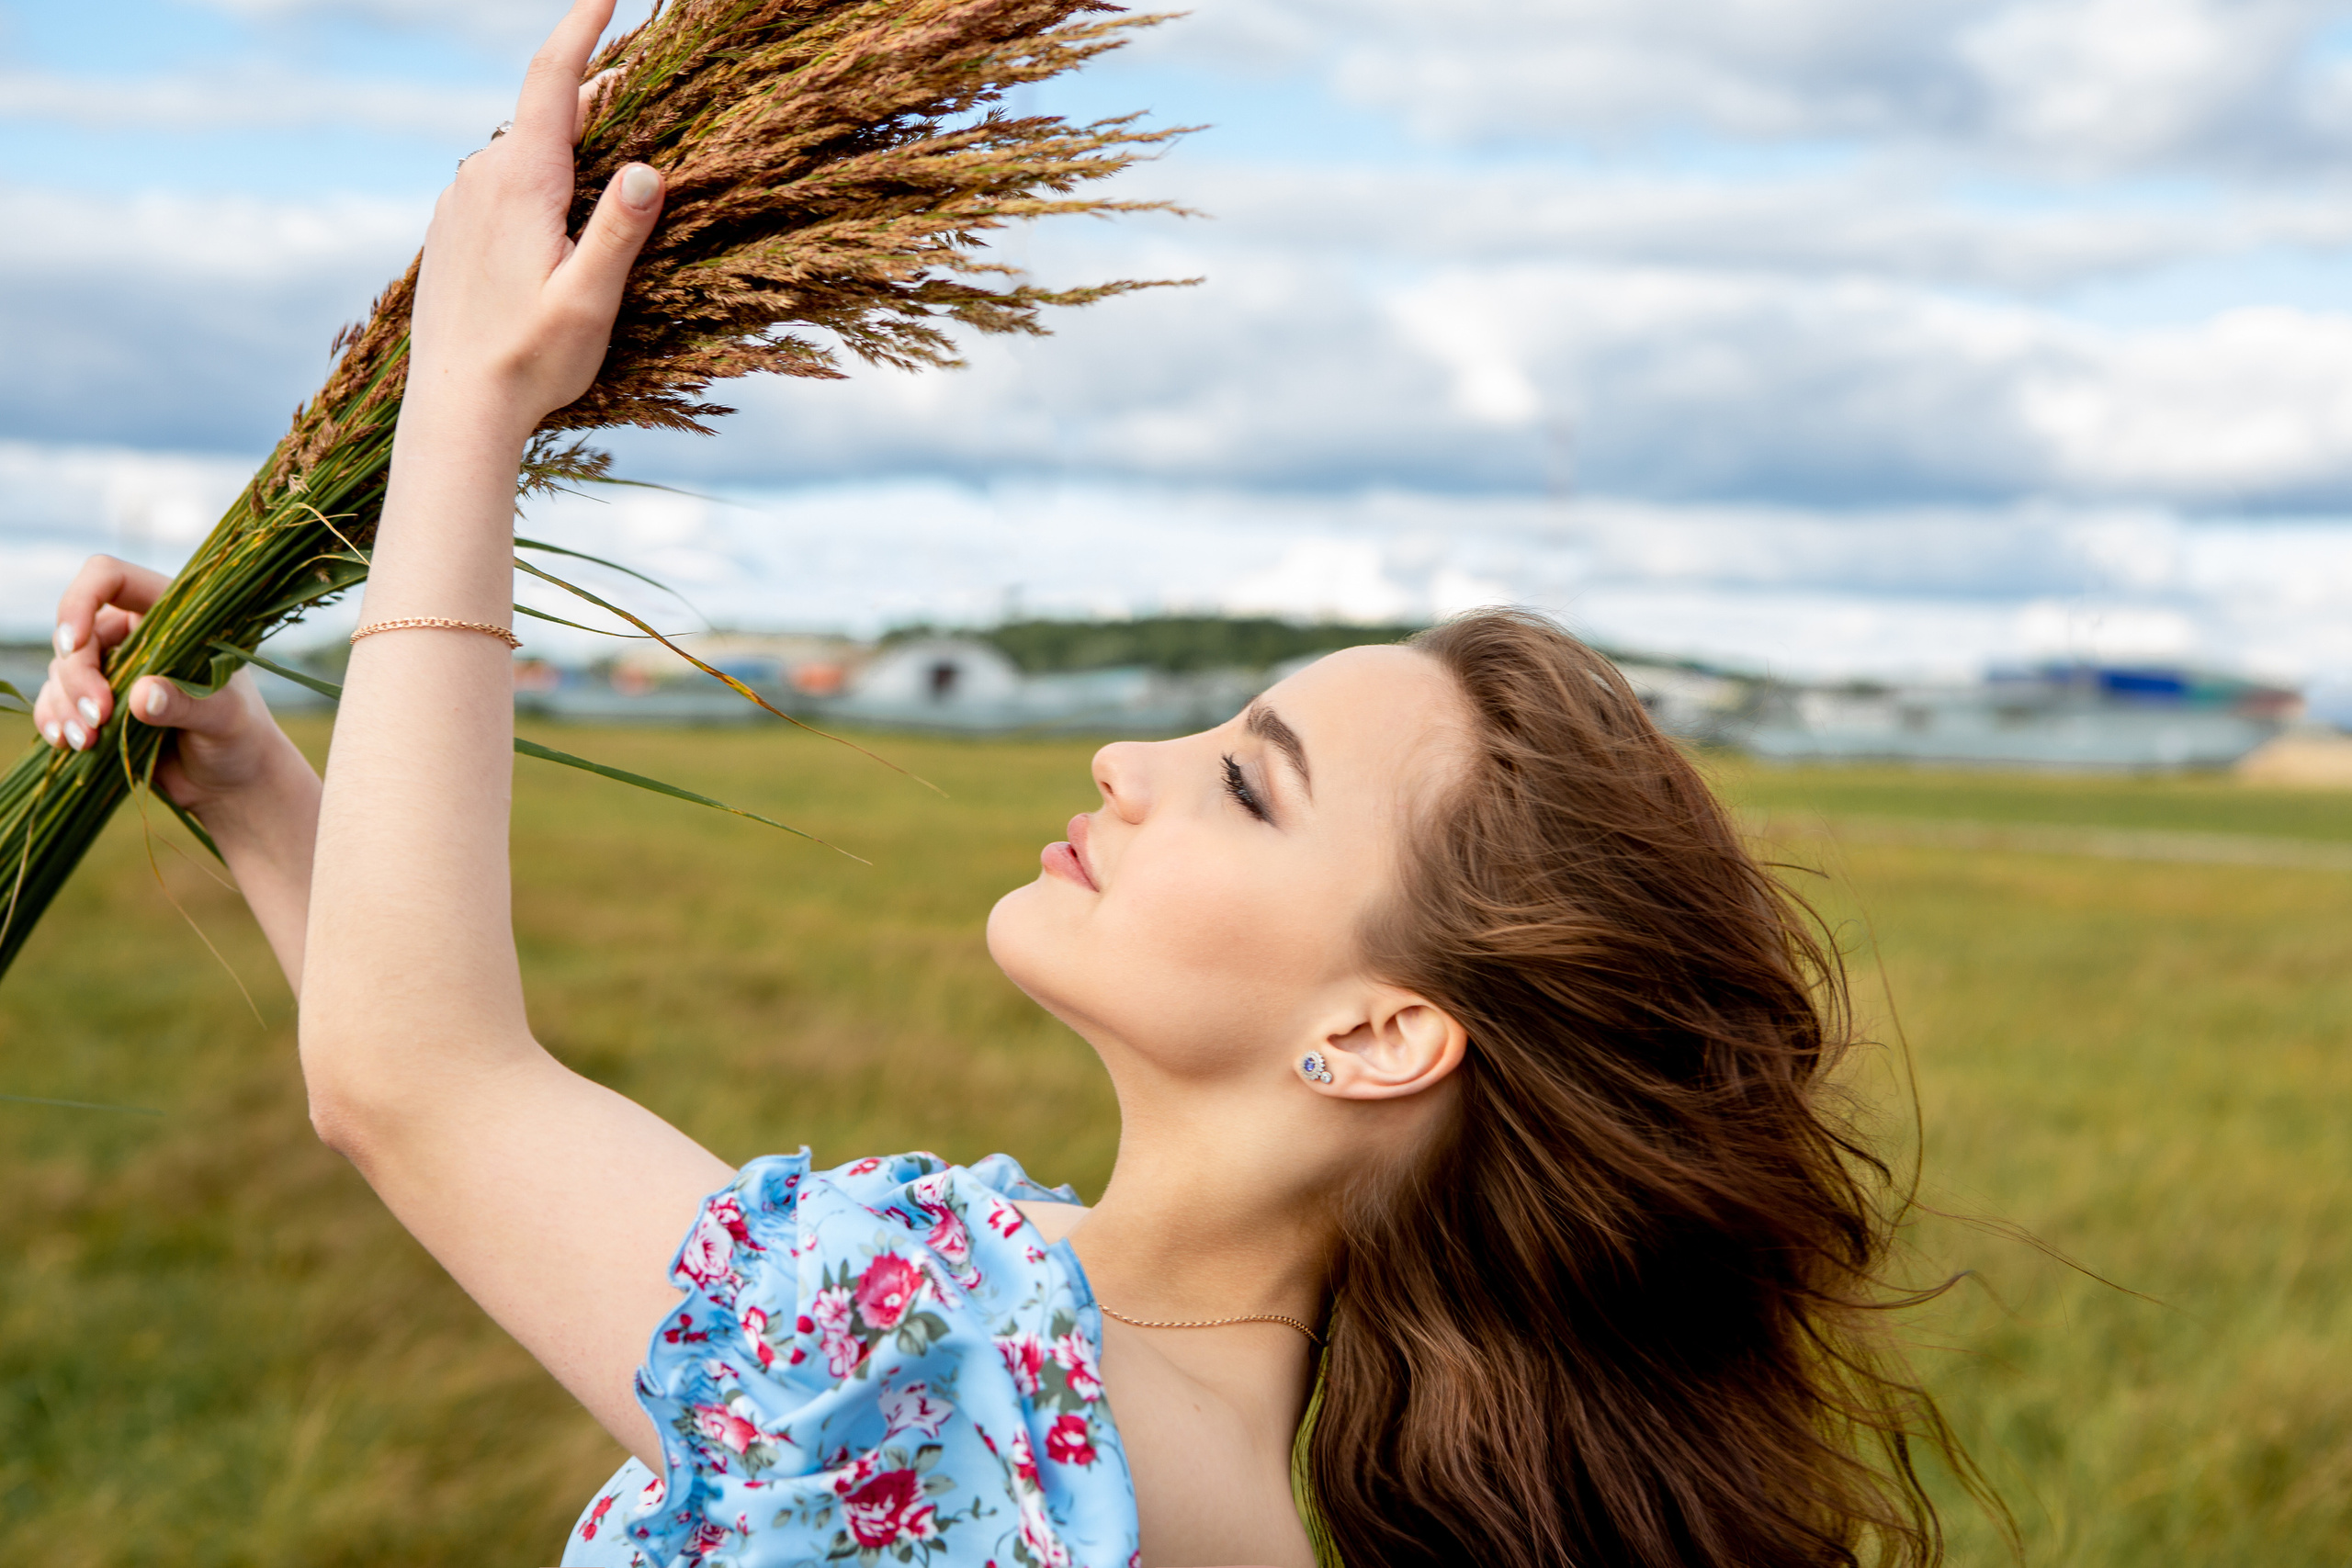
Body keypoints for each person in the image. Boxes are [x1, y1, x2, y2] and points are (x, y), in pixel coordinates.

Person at [29, 4, 1964, 1563]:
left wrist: (472, 392)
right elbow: (501, 1144)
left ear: (1377, 1028)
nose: (1128, 760)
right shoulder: (1083, 1385)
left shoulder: (983, 1380)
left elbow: (421, 1081)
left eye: (1250, 785)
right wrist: (269, 798)